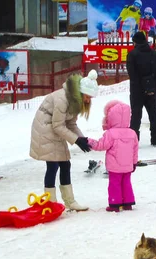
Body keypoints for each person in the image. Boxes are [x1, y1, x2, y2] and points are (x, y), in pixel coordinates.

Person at [29, 70, 99, 211]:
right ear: (81, 93)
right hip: (45, 127)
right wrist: (76, 140)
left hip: (54, 127)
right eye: (87, 96)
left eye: (90, 98)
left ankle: (69, 202)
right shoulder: (63, 99)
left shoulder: (75, 101)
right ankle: (51, 204)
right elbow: (58, 125)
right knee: (53, 165)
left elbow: (71, 124)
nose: (88, 100)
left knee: (65, 165)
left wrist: (82, 139)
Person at [88, 100, 139, 212]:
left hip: (115, 166)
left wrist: (89, 142)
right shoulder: (132, 133)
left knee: (114, 184)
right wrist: (134, 162)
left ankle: (115, 204)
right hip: (128, 166)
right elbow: (135, 150)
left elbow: (101, 145)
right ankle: (128, 203)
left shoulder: (110, 133)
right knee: (126, 183)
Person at [127, 31, 156, 147]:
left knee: (136, 115)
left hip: (136, 91)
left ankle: (133, 141)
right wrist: (152, 86)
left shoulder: (132, 55)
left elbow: (132, 74)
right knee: (154, 113)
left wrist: (139, 87)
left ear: (135, 42)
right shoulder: (155, 54)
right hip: (151, 90)